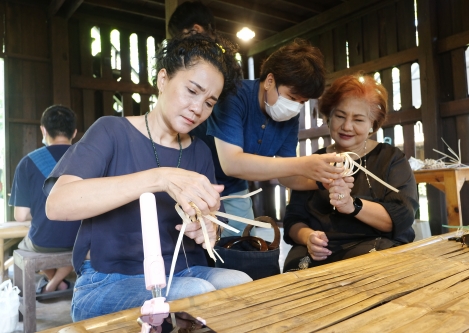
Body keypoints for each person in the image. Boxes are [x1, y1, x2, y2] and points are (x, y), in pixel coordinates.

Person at [44, 33, 252, 321]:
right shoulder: (111, 131)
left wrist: (206, 228)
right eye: (192, 91)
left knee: (240, 284)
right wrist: (159, 178)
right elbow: (58, 204)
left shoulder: (200, 152)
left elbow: (214, 225)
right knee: (196, 293)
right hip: (107, 280)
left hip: (184, 271)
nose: (198, 108)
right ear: (163, 79)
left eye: (209, 102)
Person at [192, 39, 345, 237]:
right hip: (196, 183)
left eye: (302, 102)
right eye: (291, 97)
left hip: (236, 189)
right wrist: (302, 165)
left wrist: (322, 181)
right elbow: (232, 163)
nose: (295, 106)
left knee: (241, 247)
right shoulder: (234, 96)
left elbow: (287, 176)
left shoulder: (289, 116)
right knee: (202, 247)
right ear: (270, 81)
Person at [282, 73, 419, 272]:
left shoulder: (391, 159)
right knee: (294, 271)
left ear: (373, 124)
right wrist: (308, 237)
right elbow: (293, 220)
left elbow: (403, 217)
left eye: (358, 119)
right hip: (319, 253)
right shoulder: (315, 162)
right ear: (328, 116)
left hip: (374, 248)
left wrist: (352, 206)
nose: (347, 126)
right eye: (339, 116)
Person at [9, 105, 80, 297]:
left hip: (44, 242)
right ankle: (57, 284)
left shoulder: (27, 162)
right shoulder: (87, 158)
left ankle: (52, 284)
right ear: (74, 132)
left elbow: (20, 215)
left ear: (43, 130)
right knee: (79, 242)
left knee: (29, 243)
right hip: (80, 240)